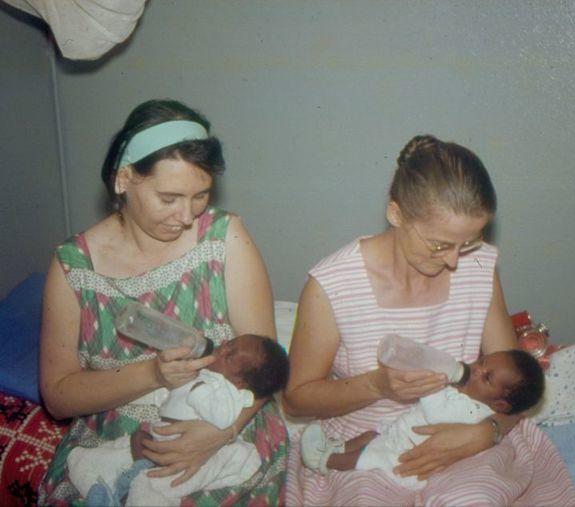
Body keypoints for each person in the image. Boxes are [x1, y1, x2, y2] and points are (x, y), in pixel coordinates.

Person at [283, 135, 575, 506]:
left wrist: (486, 433)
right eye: (440, 244)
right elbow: (295, 401)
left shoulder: (477, 266)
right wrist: (377, 386)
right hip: (369, 444)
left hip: (468, 434)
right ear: (396, 214)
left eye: (468, 242)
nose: (455, 261)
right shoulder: (334, 286)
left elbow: (511, 385)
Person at [38, 100, 288, 506]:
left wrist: (218, 433)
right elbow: (59, 396)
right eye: (169, 198)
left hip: (227, 423)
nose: (186, 216)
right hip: (115, 438)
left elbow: (267, 366)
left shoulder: (223, 238)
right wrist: (153, 374)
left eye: (200, 196)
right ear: (123, 179)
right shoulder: (73, 266)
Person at [67, 334, 290, 506]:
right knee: (125, 445)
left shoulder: (229, 395)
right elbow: (166, 393)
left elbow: (222, 419)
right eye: (228, 343)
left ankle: (131, 490)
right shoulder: (205, 371)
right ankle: (118, 487)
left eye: (229, 356)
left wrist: (199, 390)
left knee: (153, 486)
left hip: (188, 454)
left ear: (240, 382)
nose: (221, 349)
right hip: (162, 437)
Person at [300, 349, 544, 486]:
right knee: (370, 436)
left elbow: (437, 412)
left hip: (404, 460)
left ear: (499, 404)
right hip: (395, 436)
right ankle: (336, 446)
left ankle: (325, 460)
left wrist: (433, 382)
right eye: (481, 362)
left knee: (366, 455)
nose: (477, 370)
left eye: (487, 378)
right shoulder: (467, 392)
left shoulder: (475, 412)